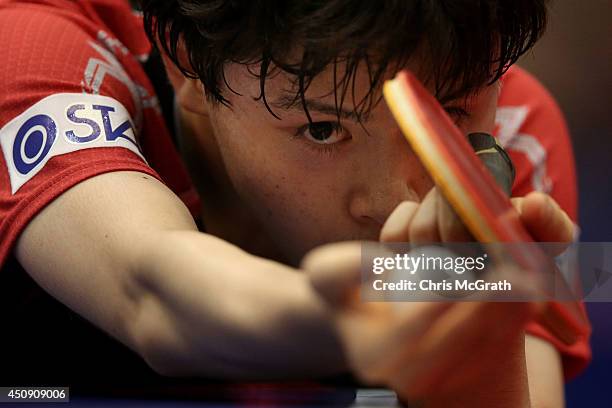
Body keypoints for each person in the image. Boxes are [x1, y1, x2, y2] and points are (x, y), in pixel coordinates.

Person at [0, 0, 590, 406]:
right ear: (187, 65)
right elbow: (151, 292)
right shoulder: (37, 56)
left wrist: (473, 339)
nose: (391, 201)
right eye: (322, 128)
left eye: (449, 115)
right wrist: (351, 317)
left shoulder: (518, 125)